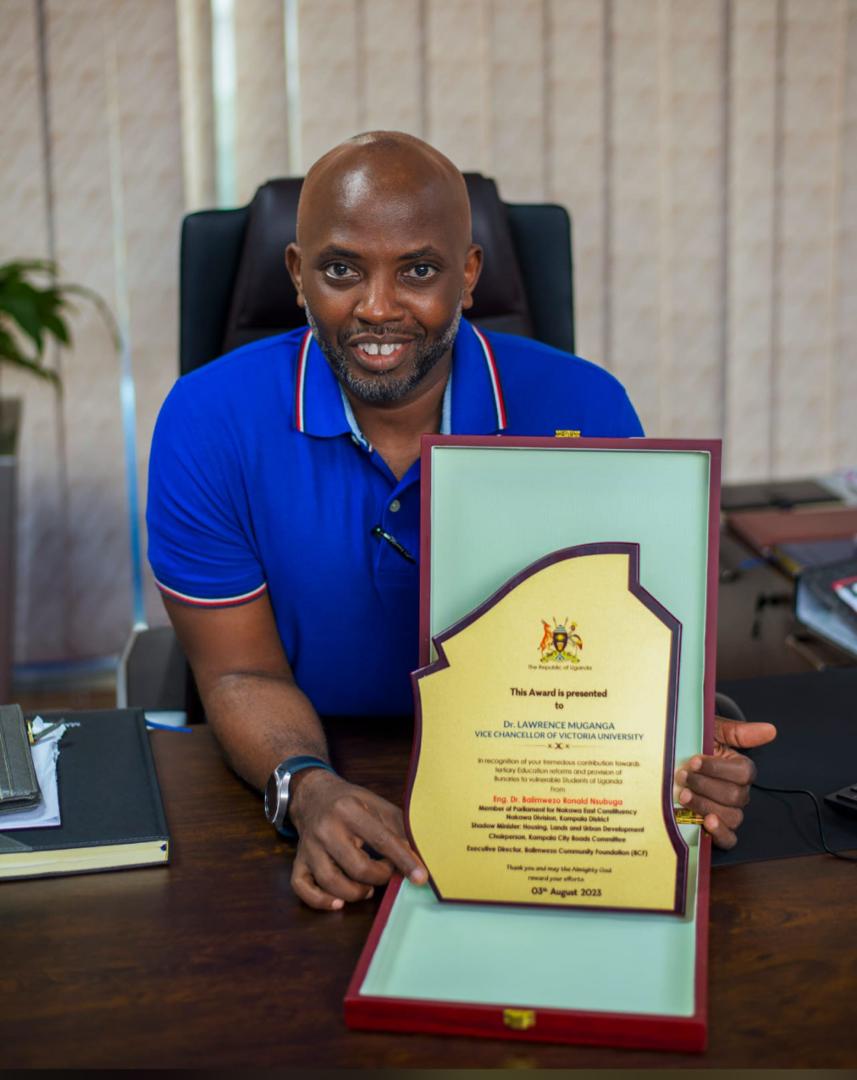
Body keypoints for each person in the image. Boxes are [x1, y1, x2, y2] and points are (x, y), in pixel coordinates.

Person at [147, 131, 776, 911]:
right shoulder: (206, 422)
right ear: (298, 276)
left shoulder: (587, 407)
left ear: (469, 274)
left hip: (540, 791)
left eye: (417, 270)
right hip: (327, 762)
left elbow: (626, 654)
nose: (377, 308)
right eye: (341, 269)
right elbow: (240, 674)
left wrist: (687, 748)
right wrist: (305, 790)